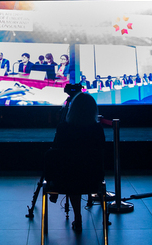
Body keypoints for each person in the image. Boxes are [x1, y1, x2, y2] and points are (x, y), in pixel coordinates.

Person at [44, 92, 105, 233]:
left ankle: (77, 216)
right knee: (77, 171)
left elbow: (56, 152)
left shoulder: (63, 128)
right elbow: (101, 151)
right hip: (93, 179)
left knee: (69, 169)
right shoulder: (97, 130)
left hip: (65, 180)